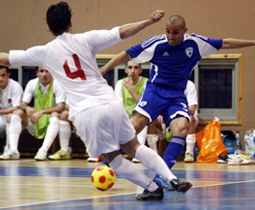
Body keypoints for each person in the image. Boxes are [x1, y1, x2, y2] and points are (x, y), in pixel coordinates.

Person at [0, 2, 192, 201]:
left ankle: (151, 187)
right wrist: (149, 21)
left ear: (49, 27)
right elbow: (123, 32)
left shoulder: (44, 51)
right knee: (133, 147)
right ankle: (170, 177)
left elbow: (6, 59)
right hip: (110, 102)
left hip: (86, 111)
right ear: (70, 22)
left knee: (112, 157)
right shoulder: (86, 38)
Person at [100, 14, 255, 189]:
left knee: (182, 127)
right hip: (155, 91)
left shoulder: (196, 44)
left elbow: (225, 43)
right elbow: (127, 53)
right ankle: (106, 164)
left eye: (175, 32)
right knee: (134, 126)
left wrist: (252, 42)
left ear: (184, 31)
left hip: (176, 95)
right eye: (168, 32)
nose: (171, 36)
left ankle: (161, 178)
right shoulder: (156, 44)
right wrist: (105, 68)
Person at [0, 67, 65, 160]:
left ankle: (43, 151)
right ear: (37, 73)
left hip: (50, 121)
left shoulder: (57, 84)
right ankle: (13, 150)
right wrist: (28, 108)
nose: (44, 74)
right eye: (41, 71)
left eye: (47, 71)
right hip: (35, 120)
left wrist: (42, 112)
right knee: (16, 113)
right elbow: (22, 104)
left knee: (55, 115)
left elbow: (61, 106)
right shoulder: (32, 83)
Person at [115, 61, 159, 162]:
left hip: (141, 114)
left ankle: (137, 153)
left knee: (142, 120)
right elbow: (118, 105)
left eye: (136, 68)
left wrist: (131, 89)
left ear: (140, 70)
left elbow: (143, 104)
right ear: (126, 70)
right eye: (130, 68)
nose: (133, 71)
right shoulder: (120, 83)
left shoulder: (147, 83)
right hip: (125, 116)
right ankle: (103, 154)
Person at [0, 64, 23, 158]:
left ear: (8, 75)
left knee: (11, 117)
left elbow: (17, 108)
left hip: (18, 119)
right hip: (1, 117)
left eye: (3, 75)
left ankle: (9, 149)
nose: (0, 79)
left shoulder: (15, 86)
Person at [184, 80, 198, 163]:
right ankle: (154, 152)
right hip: (169, 117)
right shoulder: (166, 83)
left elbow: (192, 109)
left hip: (185, 116)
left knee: (190, 117)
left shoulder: (189, 85)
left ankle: (189, 153)